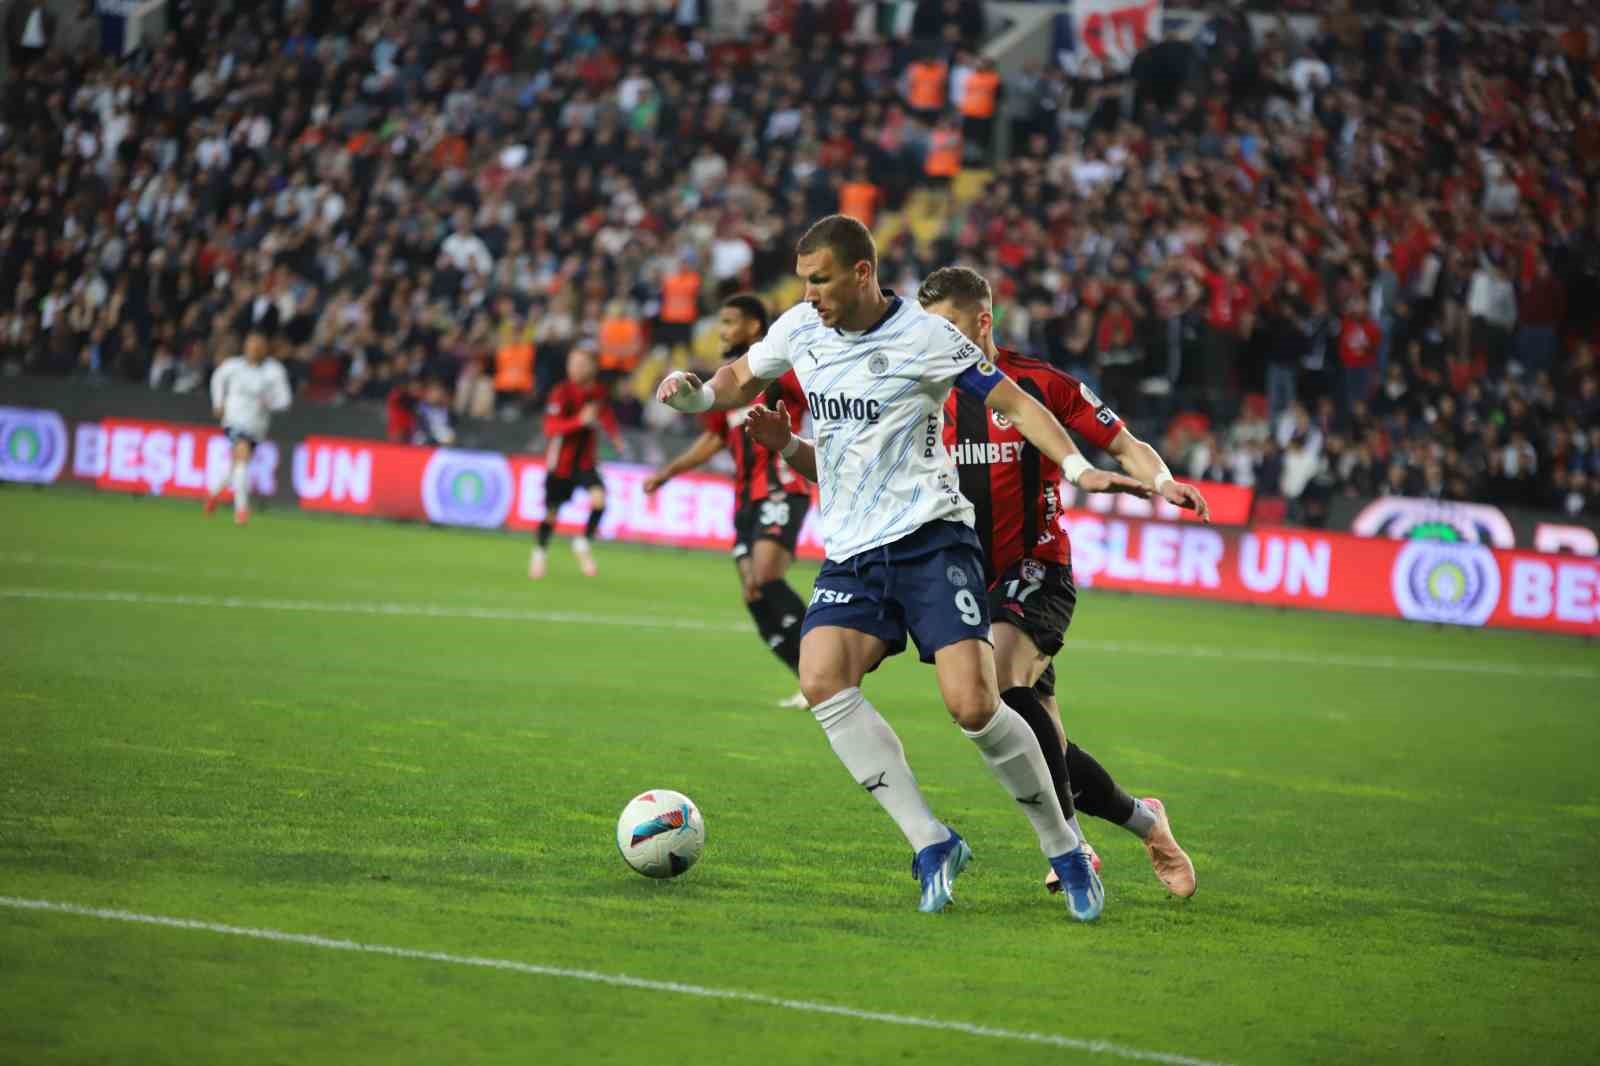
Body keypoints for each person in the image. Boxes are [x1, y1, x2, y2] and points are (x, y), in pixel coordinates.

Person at [656, 215, 1149, 922]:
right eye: (803, 281)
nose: (810, 294)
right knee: (822, 679)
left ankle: (1065, 847)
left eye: (820, 279)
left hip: (931, 539)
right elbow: (737, 376)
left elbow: (1013, 400)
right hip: (853, 550)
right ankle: (932, 842)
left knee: (975, 706)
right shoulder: (801, 328)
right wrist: (697, 395)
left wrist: (1077, 466)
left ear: (862, 273)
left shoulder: (925, 338)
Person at [752, 266, 1202, 898]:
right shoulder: (914, 385)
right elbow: (851, 472)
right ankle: (1146, 820)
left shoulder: (1037, 386)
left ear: (981, 323)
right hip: (954, 571)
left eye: (949, 329)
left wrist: (1159, 482)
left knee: (1004, 693)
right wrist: (790, 445)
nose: (935, 342)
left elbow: (1123, 442)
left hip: (1034, 570)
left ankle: (1072, 850)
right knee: (1043, 744)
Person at [644, 295, 813, 709]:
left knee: (768, 574)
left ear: (756, 327)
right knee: (754, 593)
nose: (722, 330)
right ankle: (809, 682)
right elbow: (715, 437)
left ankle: (828, 659)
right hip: (746, 498)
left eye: (730, 322)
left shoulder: (779, 371)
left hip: (782, 486)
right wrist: (669, 472)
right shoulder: (727, 385)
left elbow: (817, 394)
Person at [534, 348, 622, 580]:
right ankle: (540, 553)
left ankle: (582, 542)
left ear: (592, 367)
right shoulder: (561, 392)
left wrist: (615, 437)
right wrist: (578, 421)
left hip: (585, 463)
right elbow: (550, 428)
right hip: (560, 464)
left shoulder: (598, 392)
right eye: (572, 363)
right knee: (551, 514)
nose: (575, 368)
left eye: (581, 364)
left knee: (600, 500)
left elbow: (605, 415)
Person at [203, 331, 291, 525]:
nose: (253, 350)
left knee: (238, 463)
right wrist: (218, 403)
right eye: (250, 346)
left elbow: (285, 400)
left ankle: (213, 494)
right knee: (242, 455)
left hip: (257, 425)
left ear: (264, 350)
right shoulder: (234, 366)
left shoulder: (274, 371)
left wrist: (270, 403)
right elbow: (217, 379)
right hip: (233, 420)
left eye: (257, 347)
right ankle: (241, 510)